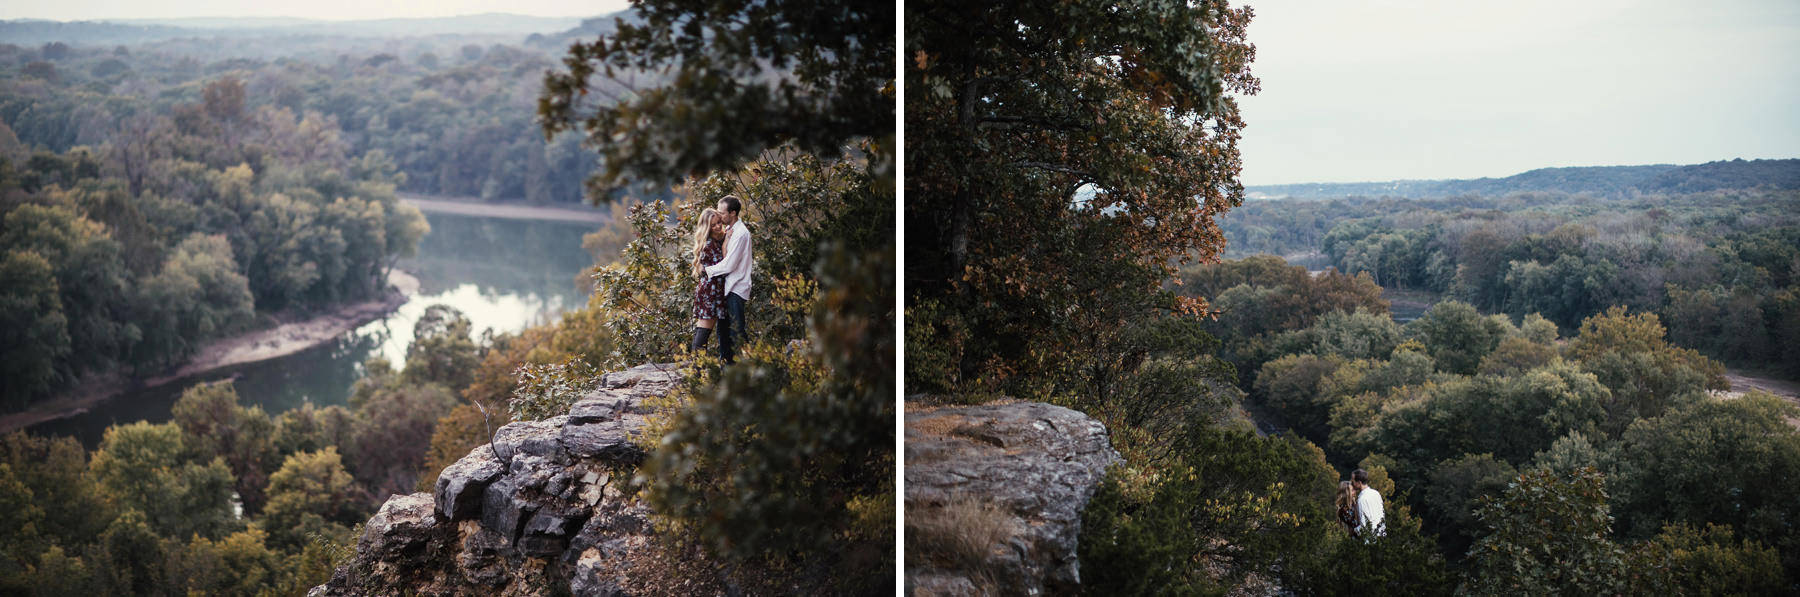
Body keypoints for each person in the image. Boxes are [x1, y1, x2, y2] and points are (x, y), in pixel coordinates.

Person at [703, 195, 752, 364]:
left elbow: (729, 265)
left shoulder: (741, 234)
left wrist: (706, 270)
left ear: (732, 213)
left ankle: (751, 368)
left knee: (737, 332)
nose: (719, 216)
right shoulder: (730, 232)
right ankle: (727, 370)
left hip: (736, 289)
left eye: (722, 213)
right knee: (723, 333)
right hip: (727, 288)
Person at [688, 208, 727, 352]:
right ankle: (697, 369)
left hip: (713, 290)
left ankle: (697, 367)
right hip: (710, 292)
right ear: (707, 227)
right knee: (703, 332)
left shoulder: (718, 239)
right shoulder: (709, 244)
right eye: (713, 225)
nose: (717, 226)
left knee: (703, 329)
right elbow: (723, 266)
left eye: (718, 222)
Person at [1351, 468, 1386, 538]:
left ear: (1359, 483)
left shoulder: (1362, 499)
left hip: (1370, 539)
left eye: (1353, 481)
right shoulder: (1376, 493)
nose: (1352, 483)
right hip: (1382, 535)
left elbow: (1364, 525)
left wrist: (1354, 531)